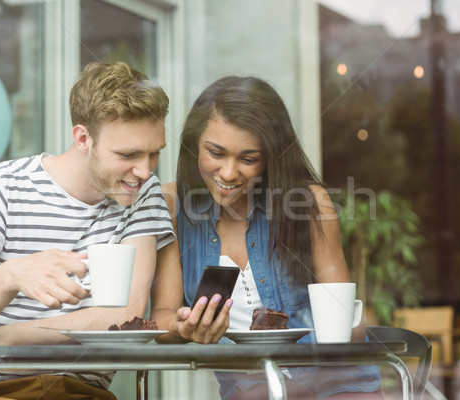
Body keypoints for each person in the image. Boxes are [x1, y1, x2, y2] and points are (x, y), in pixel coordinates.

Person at [0, 61, 174, 400]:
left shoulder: (143, 194)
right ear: (83, 138)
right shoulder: (0, 186)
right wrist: (9, 277)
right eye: (128, 154)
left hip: (76, 391)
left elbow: (126, 314)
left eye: (154, 154)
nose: (144, 170)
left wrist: (11, 338)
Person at [150, 76, 382, 399]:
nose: (229, 173)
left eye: (248, 159)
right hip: (253, 393)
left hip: (337, 388)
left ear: (271, 157)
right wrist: (184, 328)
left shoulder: (309, 204)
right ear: (193, 145)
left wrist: (345, 325)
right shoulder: (173, 207)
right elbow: (162, 318)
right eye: (216, 153)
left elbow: (345, 327)